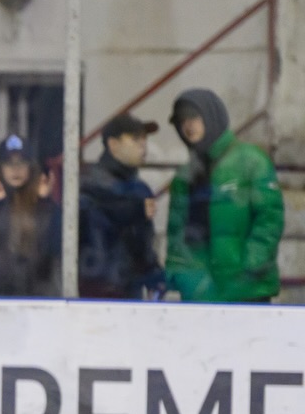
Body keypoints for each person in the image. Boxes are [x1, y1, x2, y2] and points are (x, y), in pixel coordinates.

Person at [165, 88, 284, 303]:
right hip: (200, 293)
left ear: (212, 115)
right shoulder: (184, 176)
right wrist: (178, 274)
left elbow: (269, 219)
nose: (188, 125)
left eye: (194, 116)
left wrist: (251, 265)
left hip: (246, 291)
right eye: (181, 120)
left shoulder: (251, 160)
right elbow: (176, 233)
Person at [79, 113, 166, 299]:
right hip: (96, 291)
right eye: (135, 139)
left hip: (129, 290)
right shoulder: (89, 184)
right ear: (113, 144)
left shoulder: (140, 189)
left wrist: (154, 275)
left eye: (144, 139)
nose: (143, 145)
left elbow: (143, 244)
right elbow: (103, 212)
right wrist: (134, 210)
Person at [0, 135, 61, 296]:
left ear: (31, 168)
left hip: (37, 296)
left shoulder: (45, 208)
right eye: (9, 163)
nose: (15, 169)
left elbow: (54, 247)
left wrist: (46, 203)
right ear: (0, 169)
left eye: (22, 163)